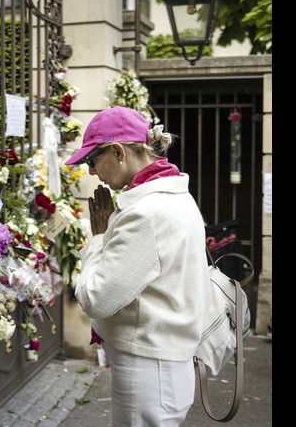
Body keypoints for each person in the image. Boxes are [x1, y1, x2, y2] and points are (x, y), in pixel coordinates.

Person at [66, 106, 210, 426]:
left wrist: (99, 240)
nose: (91, 172)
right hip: (161, 364)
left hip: (149, 370)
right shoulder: (173, 195)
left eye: (93, 161)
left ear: (118, 152)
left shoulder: (146, 212)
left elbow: (96, 298)